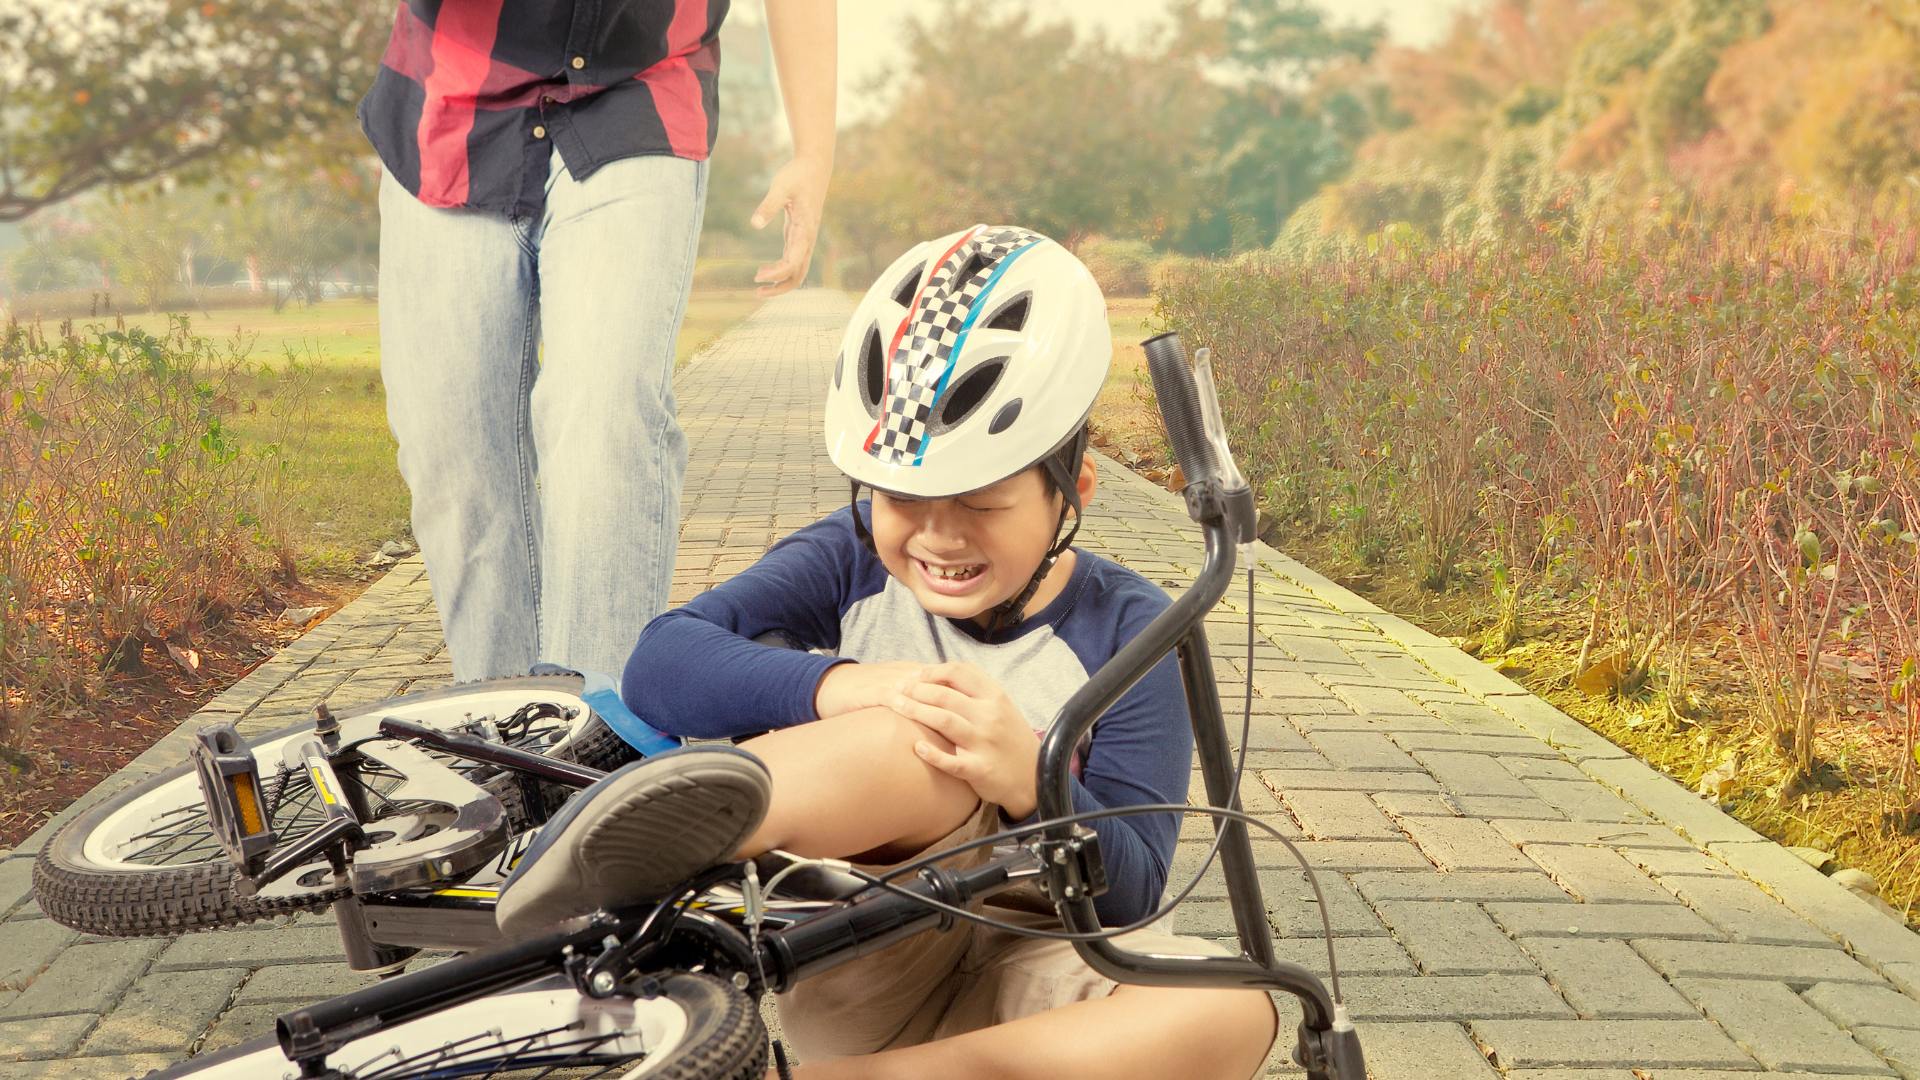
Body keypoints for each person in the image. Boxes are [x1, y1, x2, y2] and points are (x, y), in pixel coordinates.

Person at [495, 225, 1279, 1078]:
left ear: (1070, 495)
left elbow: (1134, 888)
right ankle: (624, 859)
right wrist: (844, 686)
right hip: (870, 957)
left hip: (1047, 974)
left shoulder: (1133, 630)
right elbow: (661, 662)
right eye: (901, 499)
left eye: (981, 502)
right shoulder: (851, 556)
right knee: (915, 733)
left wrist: (1029, 775)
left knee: (1241, 1001)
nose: (939, 536)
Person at [359, 0, 836, 682]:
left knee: (605, 416)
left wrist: (815, 151)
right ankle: (503, 729)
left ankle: (602, 737)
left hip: (640, 88)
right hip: (449, 99)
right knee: (455, 448)